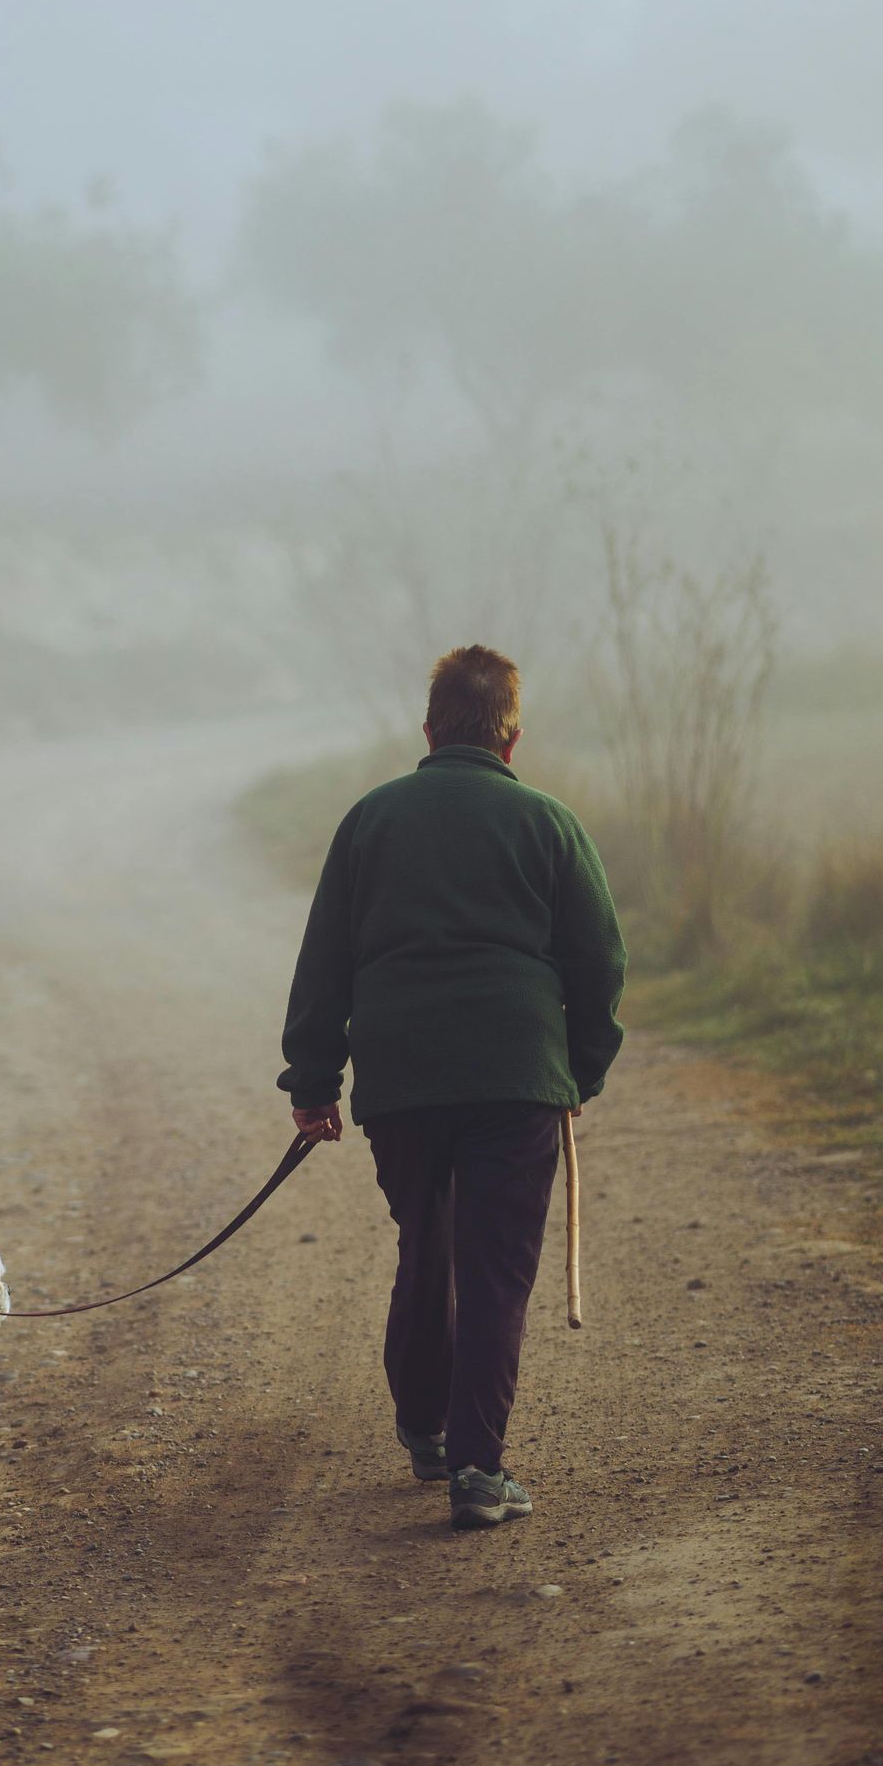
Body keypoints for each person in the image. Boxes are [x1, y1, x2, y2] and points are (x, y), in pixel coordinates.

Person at [278, 644, 625, 1531]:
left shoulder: (371, 820)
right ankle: (479, 1467)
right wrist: (577, 1070)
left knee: (427, 1245)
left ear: (429, 731)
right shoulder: (549, 823)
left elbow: (325, 962)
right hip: (517, 1079)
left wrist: (314, 1080)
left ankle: (422, 1428)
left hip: (402, 1080)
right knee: (496, 1267)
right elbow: (599, 963)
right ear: (512, 740)